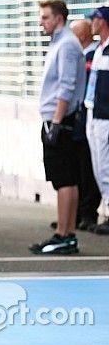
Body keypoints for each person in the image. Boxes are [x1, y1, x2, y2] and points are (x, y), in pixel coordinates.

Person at [30, 0, 86, 254]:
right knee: (67, 179)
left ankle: (64, 233)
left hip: (60, 120)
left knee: (64, 179)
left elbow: (66, 85)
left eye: (45, 17)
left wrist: (56, 122)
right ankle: (67, 232)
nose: (41, 22)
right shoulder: (60, 43)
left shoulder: (66, 45)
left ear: (59, 19)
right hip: (59, 119)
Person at [70, 19, 101, 231]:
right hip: (78, 120)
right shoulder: (82, 55)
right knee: (77, 168)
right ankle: (78, 213)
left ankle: (88, 213)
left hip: (92, 119)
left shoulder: (95, 55)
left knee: (89, 169)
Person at [84, 6, 109, 235]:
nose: (91, 22)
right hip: (93, 111)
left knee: (106, 165)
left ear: (103, 22)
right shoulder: (98, 50)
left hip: (105, 115)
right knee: (98, 166)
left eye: (95, 19)